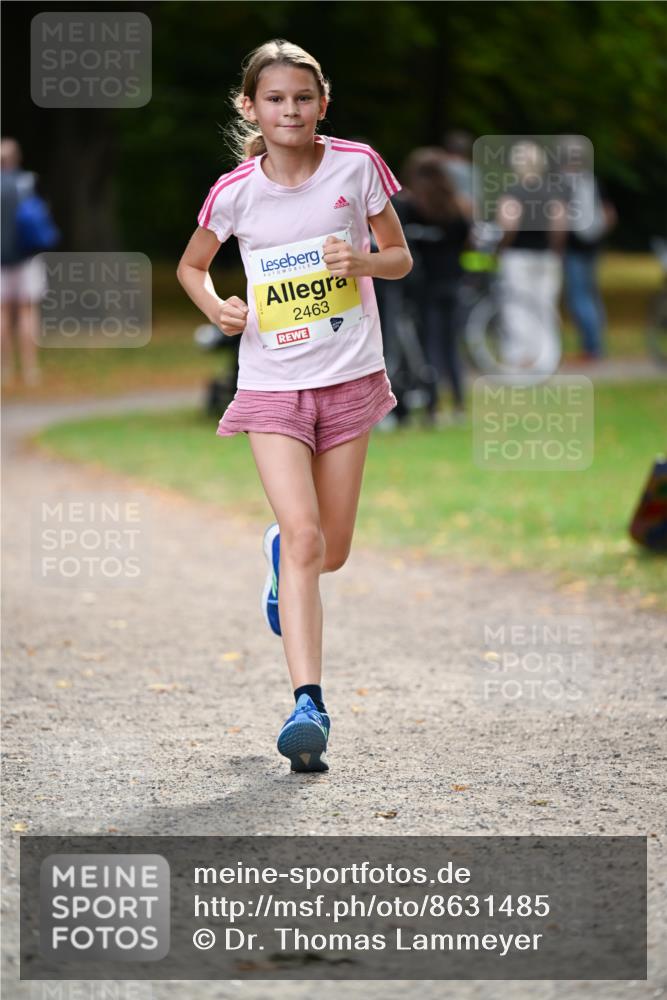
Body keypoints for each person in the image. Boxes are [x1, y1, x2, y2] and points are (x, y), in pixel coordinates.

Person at [176, 39, 412, 774]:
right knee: (308, 536)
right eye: (274, 99)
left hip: (348, 376)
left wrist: (364, 262)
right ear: (251, 107)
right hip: (272, 385)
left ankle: (281, 558)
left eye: (302, 98)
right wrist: (218, 307)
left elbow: (398, 257)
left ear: (322, 104)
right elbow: (190, 266)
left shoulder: (356, 166)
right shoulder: (234, 191)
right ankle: (307, 704)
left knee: (326, 551)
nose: (289, 111)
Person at [398, 147, 471, 422]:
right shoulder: (456, 206)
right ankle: (459, 403)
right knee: (451, 344)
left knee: (428, 344)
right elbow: (467, 239)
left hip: (424, 284)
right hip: (453, 281)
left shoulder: (410, 206)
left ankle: (432, 405)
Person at [495, 140, 567, 375]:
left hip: (518, 255)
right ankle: (547, 359)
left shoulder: (513, 192)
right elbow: (560, 224)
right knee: (545, 305)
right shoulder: (552, 191)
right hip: (546, 256)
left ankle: (522, 358)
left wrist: (503, 246)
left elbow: (508, 223)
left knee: (518, 306)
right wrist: (555, 248)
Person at [559, 135, 617, 360]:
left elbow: (560, 218)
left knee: (578, 297)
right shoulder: (590, 180)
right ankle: (596, 344)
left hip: (573, 247)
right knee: (591, 295)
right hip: (593, 246)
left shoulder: (562, 182)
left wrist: (558, 245)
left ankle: (591, 348)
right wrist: (597, 235)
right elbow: (610, 215)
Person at [1, 137, 48, 387]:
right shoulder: (27, 181)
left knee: (2, 315)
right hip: (27, 257)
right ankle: (31, 370)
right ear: (16, 158)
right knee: (28, 312)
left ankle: (5, 369)